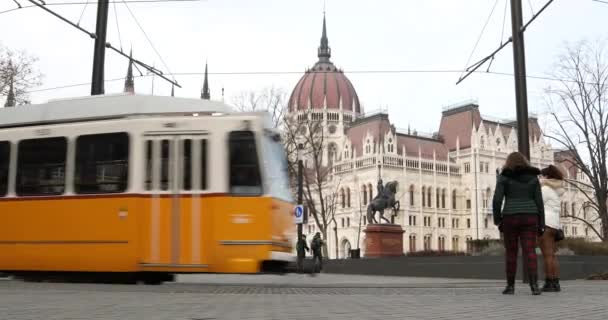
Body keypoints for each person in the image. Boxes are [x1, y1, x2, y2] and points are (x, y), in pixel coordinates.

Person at [493, 151, 545, 295]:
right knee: (530, 251)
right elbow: (539, 202)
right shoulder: (534, 178)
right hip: (530, 217)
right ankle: (534, 286)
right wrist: (541, 223)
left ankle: (510, 287)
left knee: (511, 252)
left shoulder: (504, 177)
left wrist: (498, 220)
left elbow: (497, 200)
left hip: (510, 217)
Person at [539, 165, 565, 292]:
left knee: (547, 255)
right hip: (554, 224)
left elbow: (538, 204)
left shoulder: (546, 189)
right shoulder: (556, 190)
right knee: (552, 255)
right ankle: (555, 282)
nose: (540, 178)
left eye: (542, 175)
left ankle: (549, 282)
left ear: (547, 177)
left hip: (546, 223)